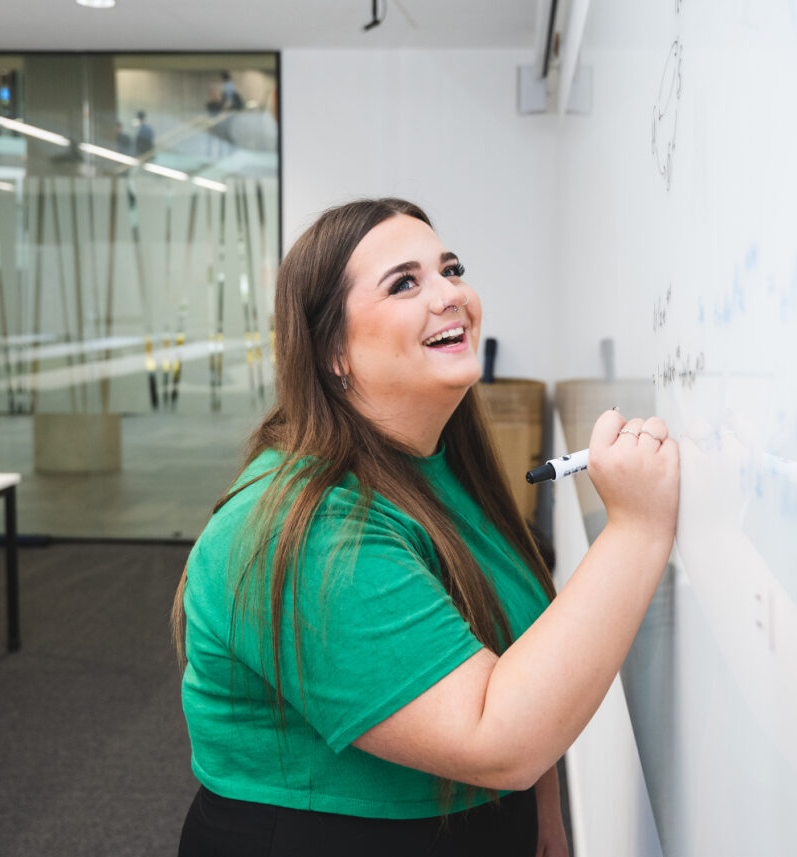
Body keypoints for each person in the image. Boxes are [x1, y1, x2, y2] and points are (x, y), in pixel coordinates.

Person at [173, 198, 679, 856]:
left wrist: (541, 812)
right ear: (333, 352)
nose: (452, 294)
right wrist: (636, 528)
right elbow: (494, 737)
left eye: (451, 268)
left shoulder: (441, 467)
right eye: (405, 282)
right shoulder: (305, 529)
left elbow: (512, 644)